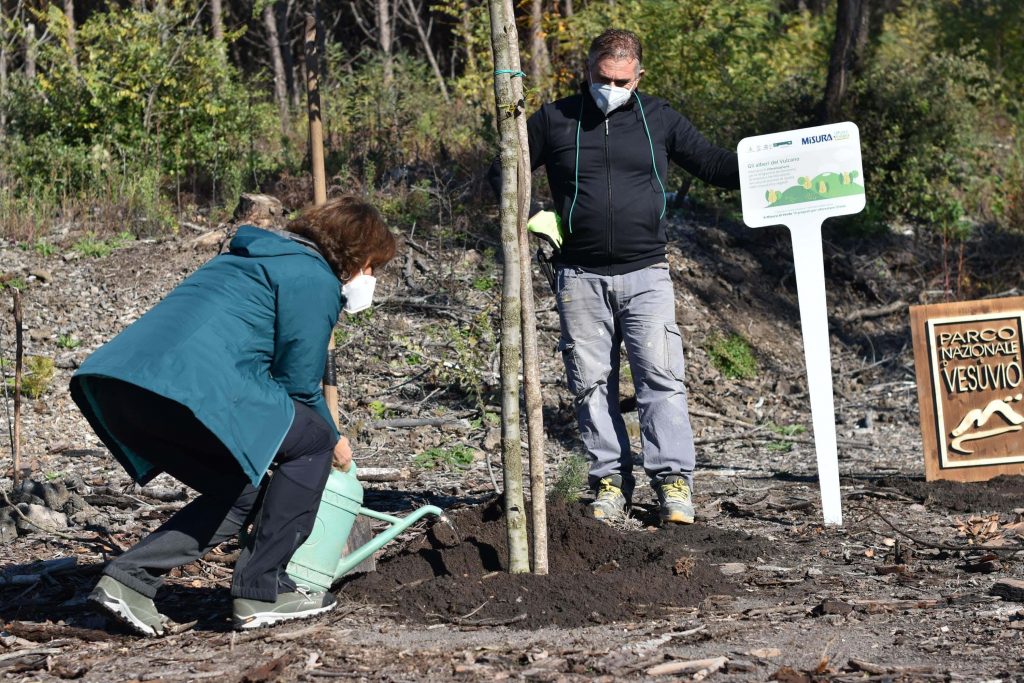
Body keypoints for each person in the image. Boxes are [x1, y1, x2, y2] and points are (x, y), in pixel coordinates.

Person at [70, 196, 396, 635]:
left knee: (243, 486)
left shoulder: (250, 258)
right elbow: (298, 386)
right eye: (372, 266)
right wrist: (335, 439)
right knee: (314, 441)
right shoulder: (311, 277)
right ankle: (263, 592)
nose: (371, 278)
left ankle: (129, 579)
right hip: (186, 388)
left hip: (120, 385)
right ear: (356, 252)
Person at [491, 29, 740, 525]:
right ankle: (609, 480)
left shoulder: (659, 118)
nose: (612, 87)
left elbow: (713, 164)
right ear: (587, 71)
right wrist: (531, 214)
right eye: (603, 78)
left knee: (661, 379)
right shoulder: (554, 119)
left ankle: (672, 483)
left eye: (622, 81)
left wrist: (774, 164)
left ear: (638, 76)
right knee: (590, 383)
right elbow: (503, 173)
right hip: (578, 277)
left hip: (646, 272)